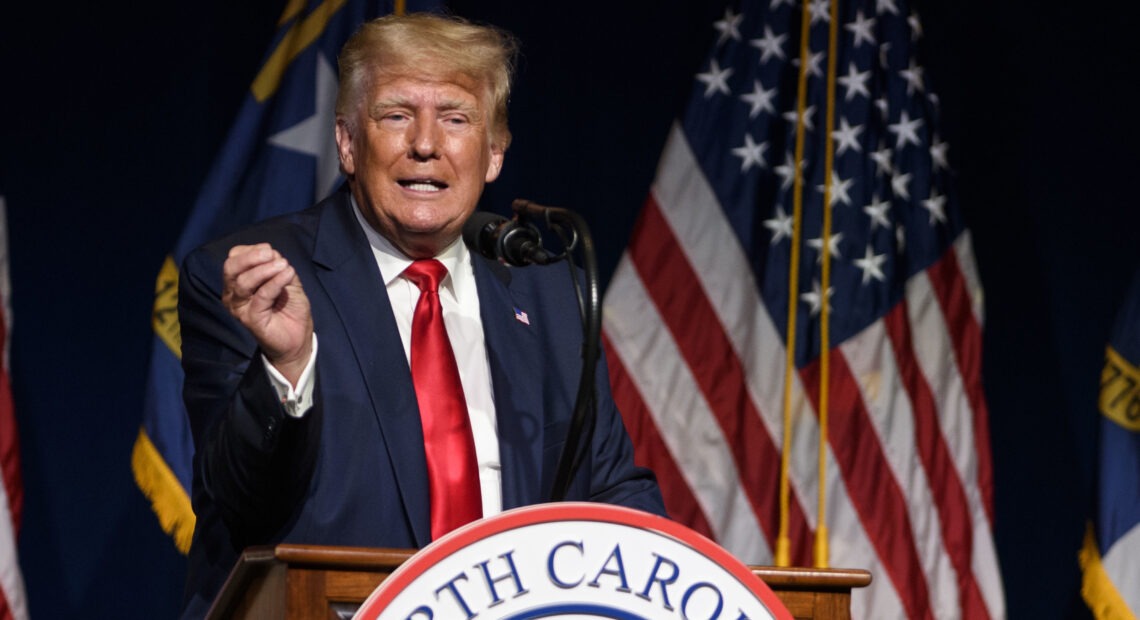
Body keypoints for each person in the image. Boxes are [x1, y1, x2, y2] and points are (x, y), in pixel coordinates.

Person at [177, 12, 665, 618]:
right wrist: (288, 365)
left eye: (456, 119)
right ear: (348, 143)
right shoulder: (254, 281)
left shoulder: (547, 291)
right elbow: (239, 502)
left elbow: (610, 488)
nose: (427, 144)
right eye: (397, 116)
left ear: (493, 154)